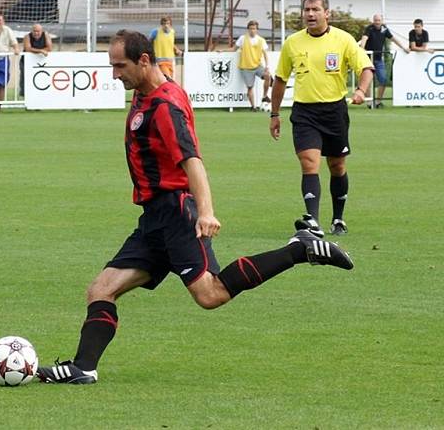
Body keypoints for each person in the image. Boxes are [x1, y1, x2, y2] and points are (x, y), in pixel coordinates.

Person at [37, 29, 354, 385]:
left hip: (176, 213)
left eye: (120, 65)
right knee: (101, 289)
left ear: (144, 60)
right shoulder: (151, 91)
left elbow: (192, 161)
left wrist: (205, 211)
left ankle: (299, 250)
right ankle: (84, 367)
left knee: (211, 294)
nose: (115, 74)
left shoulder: (165, 106)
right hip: (154, 218)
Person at [270, 0, 374, 237]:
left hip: (335, 111)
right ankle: (313, 221)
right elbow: (280, 79)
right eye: (306, 10)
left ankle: (338, 218)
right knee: (309, 163)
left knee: (336, 165)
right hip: (304, 112)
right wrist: (274, 114)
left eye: (315, 9)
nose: (310, 14)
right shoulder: (293, 42)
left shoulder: (343, 40)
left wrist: (360, 90)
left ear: (327, 13)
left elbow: (366, 68)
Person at [358, 13, 408, 107]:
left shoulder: (384, 29)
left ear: (382, 21)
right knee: (366, 81)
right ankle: (369, 102)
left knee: (383, 80)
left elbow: (393, 39)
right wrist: (362, 49)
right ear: (373, 21)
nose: (377, 22)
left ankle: (378, 102)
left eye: (379, 20)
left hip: (378, 59)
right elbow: (364, 38)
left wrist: (403, 47)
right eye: (375, 20)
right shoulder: (369, 28)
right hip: (368, 59)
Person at [235, 20, 272, 110]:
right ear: (248, 29)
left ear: (257, 30)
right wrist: (222, 51)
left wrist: (267, 66)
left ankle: (264, 96)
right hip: (246, 67)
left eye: (254, 29)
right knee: (250, 87)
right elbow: (234, 48)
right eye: (251, 28)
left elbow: (265, 54)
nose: (252, 30)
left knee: (268, 76)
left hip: (257, 66)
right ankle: (253, 106)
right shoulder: (242, 38)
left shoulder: (261, 40)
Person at [20, 23, 52, 97]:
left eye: (38, 31)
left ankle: (40, 97)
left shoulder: (46, 35)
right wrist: (41, 51)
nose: (36, 33)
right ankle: (25, 97)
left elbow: (49, 48)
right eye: (34, 31)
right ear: (32, 31)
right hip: (25, 62)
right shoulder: (27, 37)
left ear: (41, 31)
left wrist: (35, 51)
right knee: (25, 80)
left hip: (41, 62)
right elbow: (28, 49)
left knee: (41, 79)